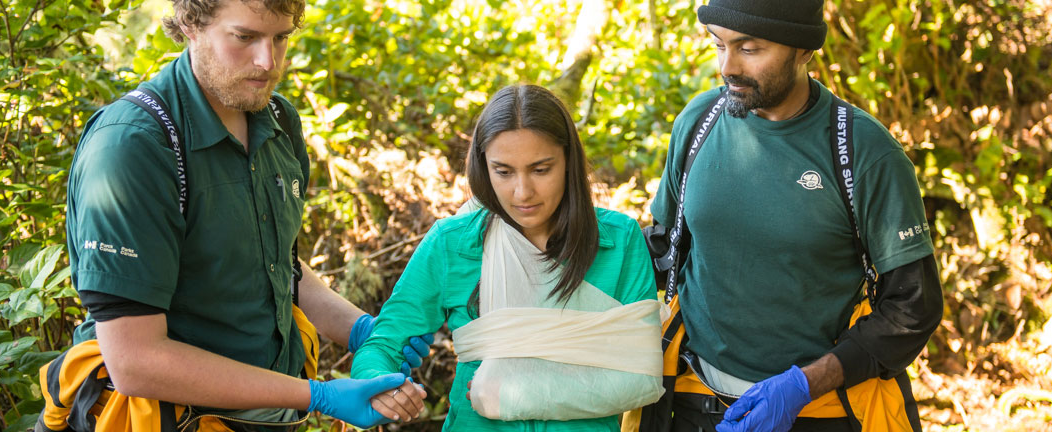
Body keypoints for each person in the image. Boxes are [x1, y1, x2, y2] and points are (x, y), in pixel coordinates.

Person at [51, 0, 428, 429]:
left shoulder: (278, 120)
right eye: (245, 37)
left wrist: (360, 329)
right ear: (192, 24)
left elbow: (275, 263)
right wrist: (318, 395)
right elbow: (135, 360)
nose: (268, 62)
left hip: (269, 415)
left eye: (280, 37)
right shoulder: (134, 146)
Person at [647, 1, 945, 431]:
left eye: (749, 49)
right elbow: (664, 249)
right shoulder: (699, 124)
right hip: (696, 404)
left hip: (820, 410)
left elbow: (913, 308)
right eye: (718, 45)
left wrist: (805, 385)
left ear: (803, 50)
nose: (727, 66)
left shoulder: (863, 152)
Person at [350, 84, 661, 431]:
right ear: (483, 166)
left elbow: (640, 378)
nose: (522, 192)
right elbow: (384, 344)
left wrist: (517, 393)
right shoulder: (453, 244)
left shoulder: (619, 241)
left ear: (568, 161)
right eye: (503, 171)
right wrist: (378, 383)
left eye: (541, 170)